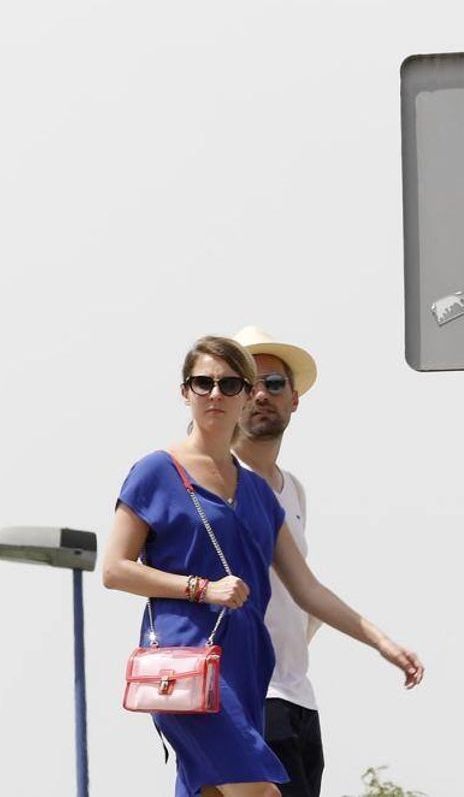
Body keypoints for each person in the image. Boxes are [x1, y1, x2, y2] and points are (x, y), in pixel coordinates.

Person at [102, 335, 424, 797]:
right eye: (203, 382)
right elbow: (114, 569)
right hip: (189, 666)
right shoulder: (158, 471)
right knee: (263, 793)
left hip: (249, 669)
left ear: (246, 393)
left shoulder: (258, 494)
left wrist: (381, 642)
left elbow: (307, 588)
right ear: (184, 392)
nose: (215, 394)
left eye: (230, 384)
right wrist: (201, 588)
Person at [231, 327, 323, 797]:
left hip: (297, 696)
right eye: (247, 384)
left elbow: (301, 591)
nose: (261, 394)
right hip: (246, 696)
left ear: (294, 399)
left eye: (274, 383)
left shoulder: (294, 488)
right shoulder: (217, 481)